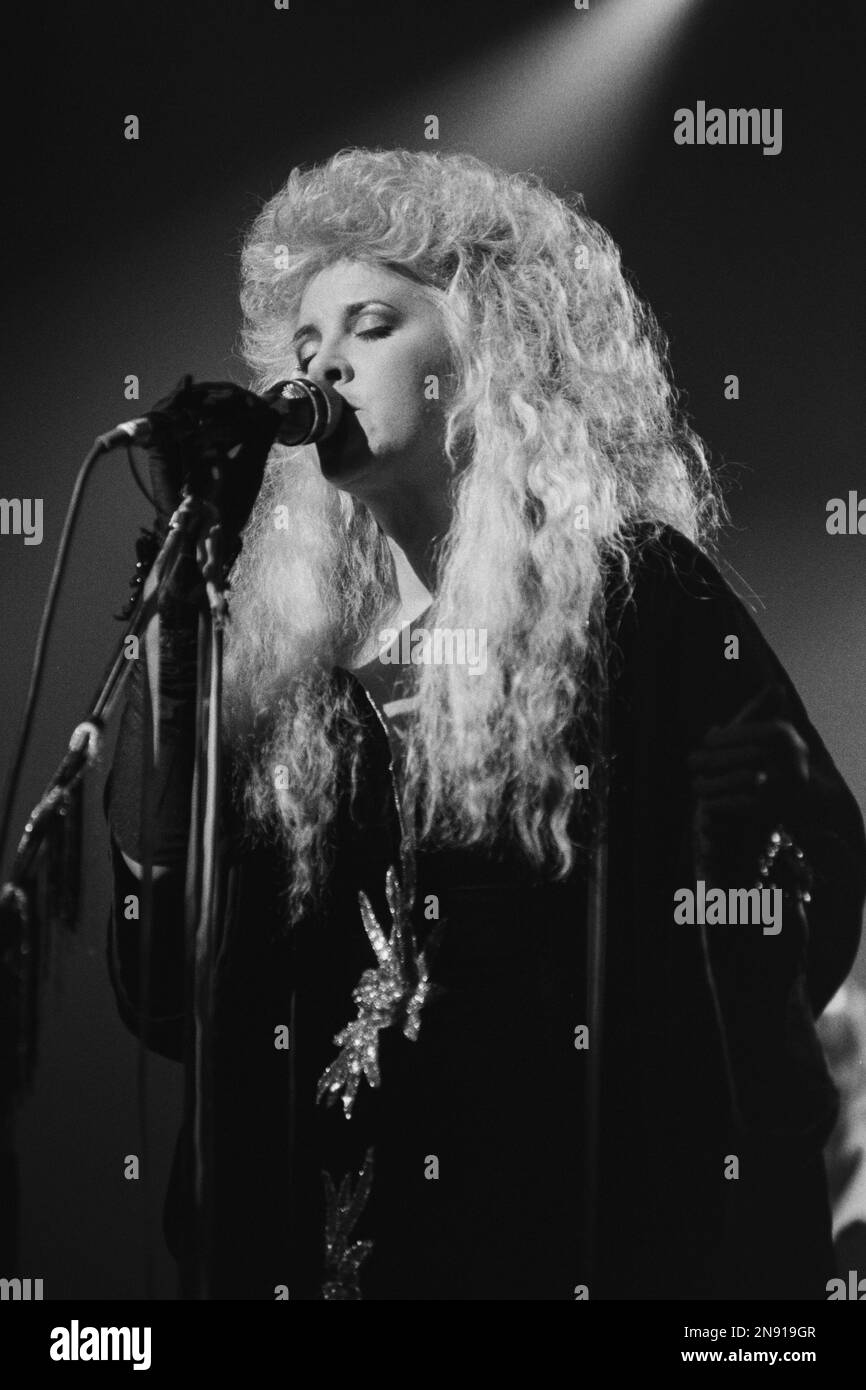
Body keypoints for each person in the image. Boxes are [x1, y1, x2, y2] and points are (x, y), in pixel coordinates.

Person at [104, 146, 866, 1301]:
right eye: (305, 348)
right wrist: (175, 674)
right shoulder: (289, 671)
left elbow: (796, 887)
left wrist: (726, 872)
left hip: (566, 1235)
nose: (322, 369)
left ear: (480, 347)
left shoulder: (633, 595)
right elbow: (179, 996)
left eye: (367, 325)